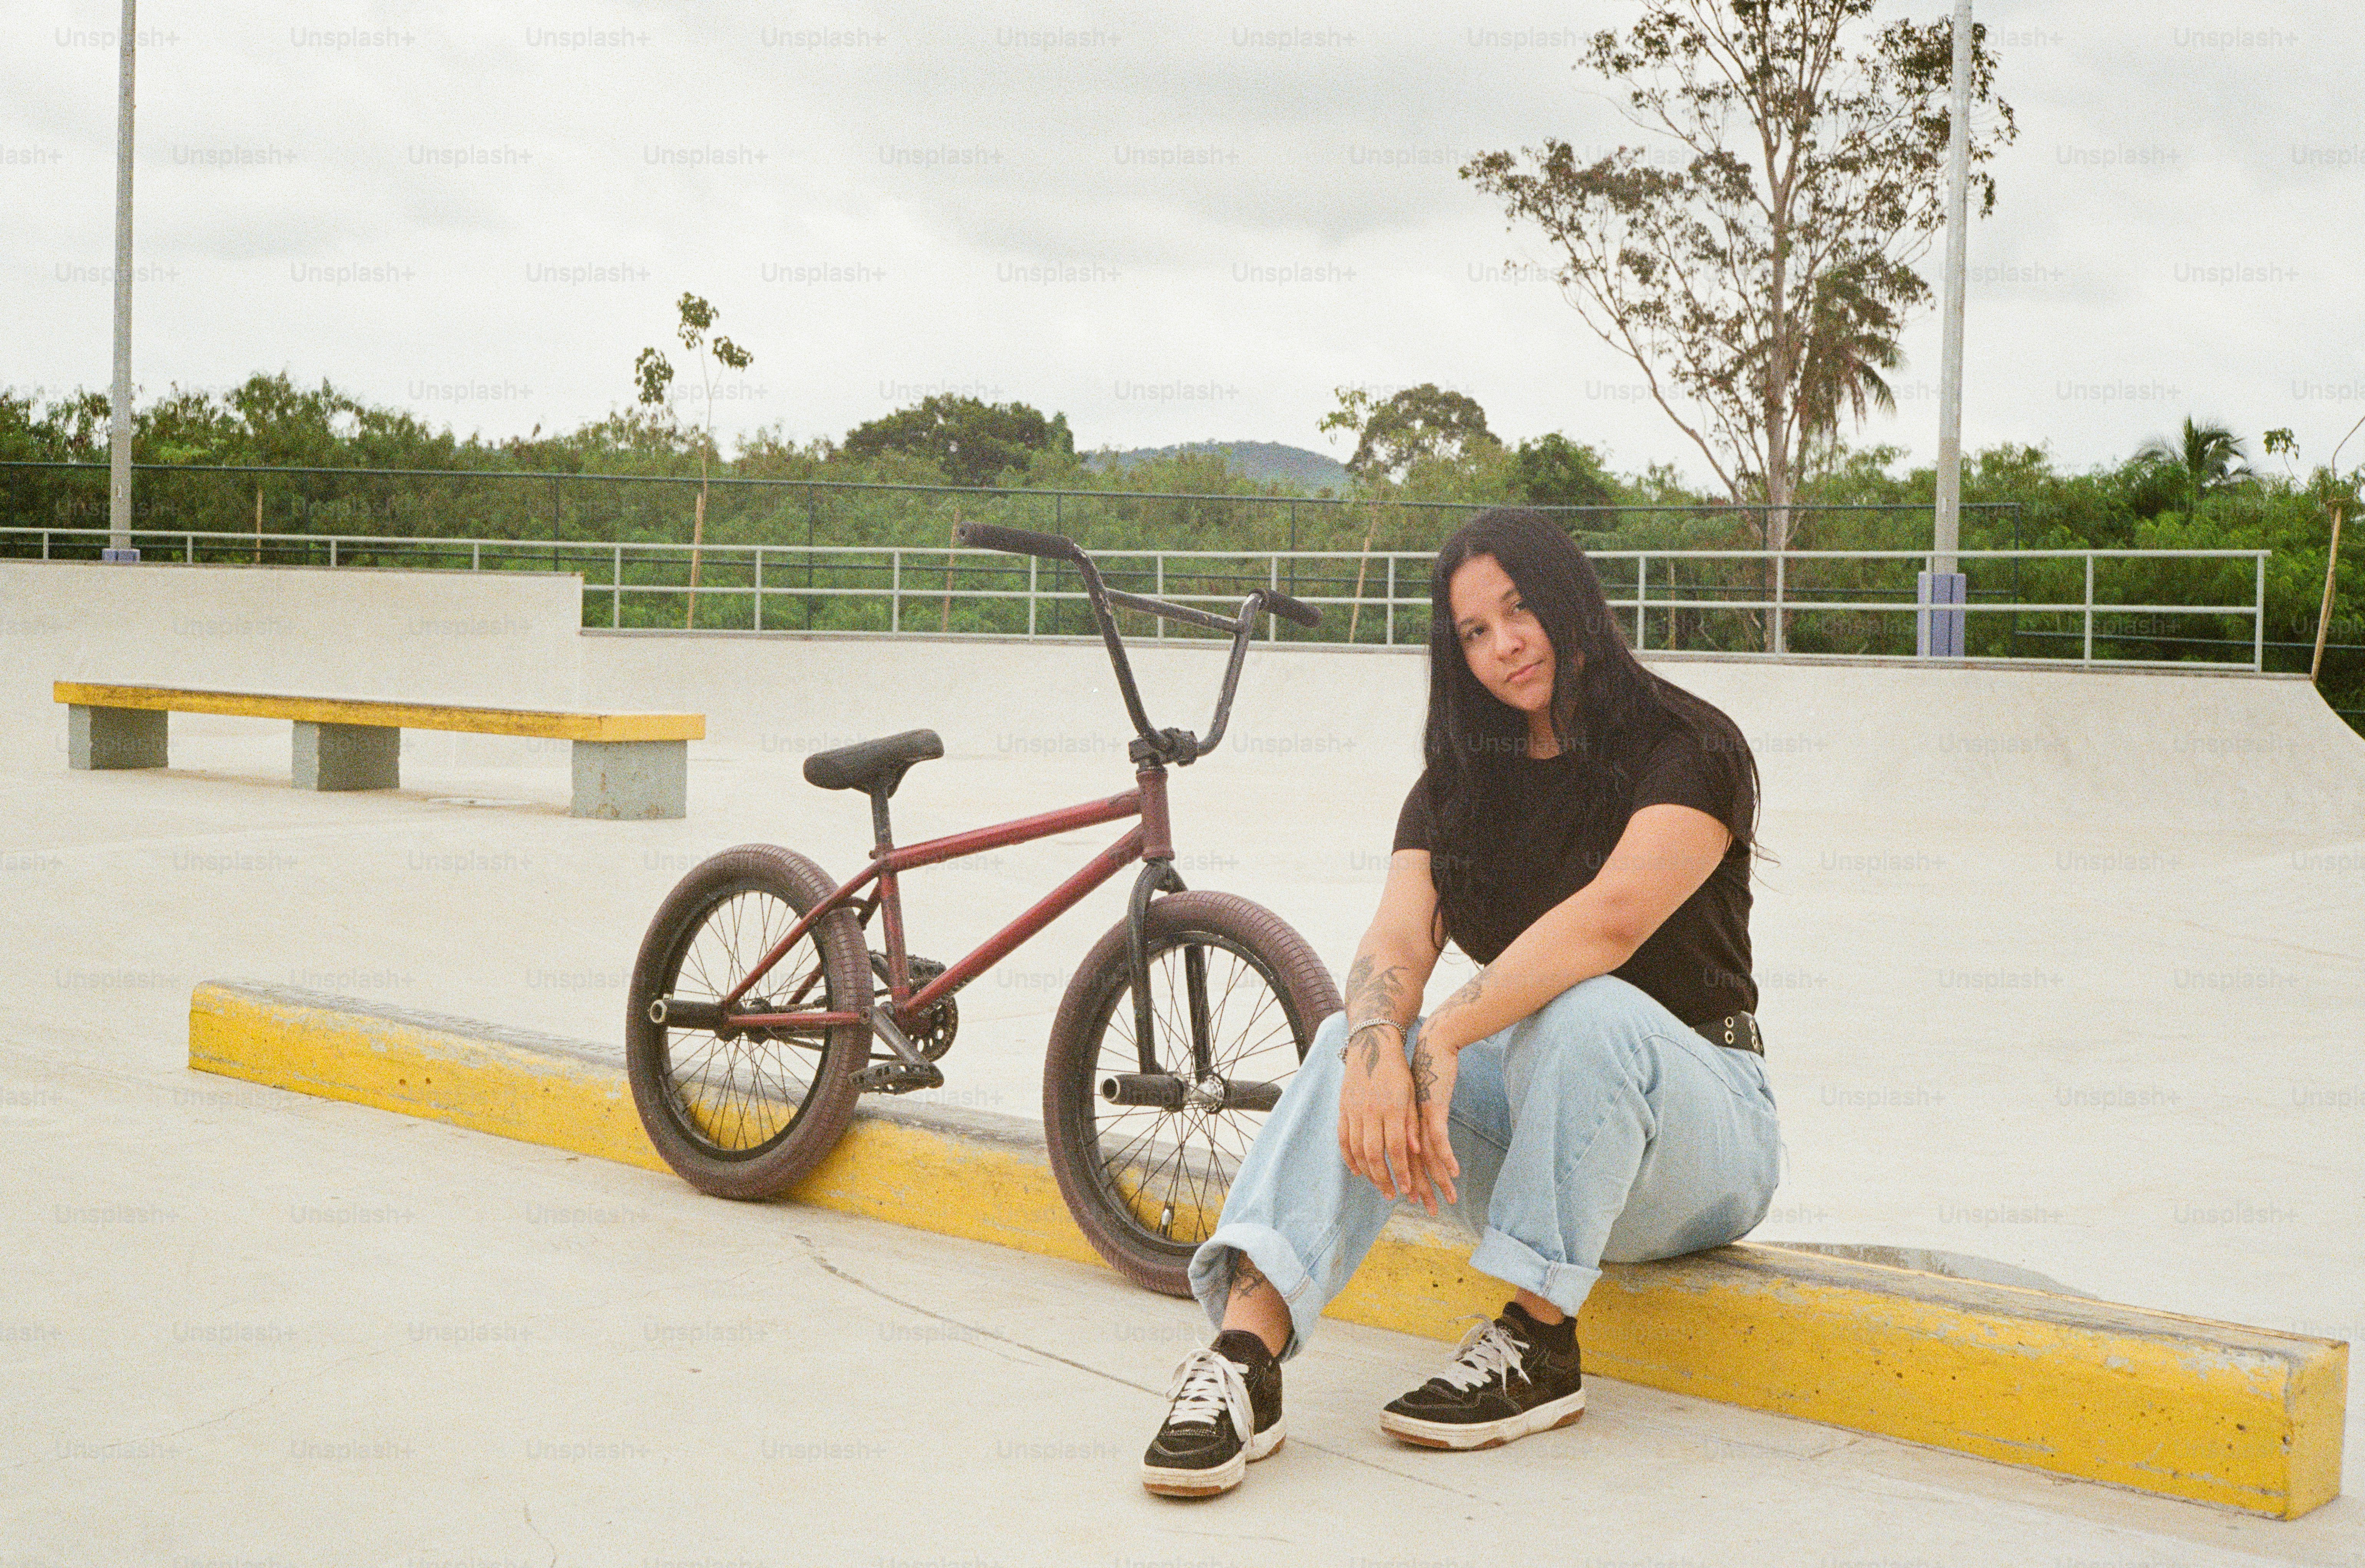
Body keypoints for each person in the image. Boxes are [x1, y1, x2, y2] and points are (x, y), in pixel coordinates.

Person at [1139, 508, 1782, 1497]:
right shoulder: (1454, 788)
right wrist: (1376, 1042)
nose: (1505, 646)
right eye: (1474, 632)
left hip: (1703, 1139)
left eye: (1520, 611)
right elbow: (1398, 940)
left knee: (1587, 1010)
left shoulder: (1688, 744)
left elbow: (1607, 925)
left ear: (1571, 602)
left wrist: (1441, 1032)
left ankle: (1538, 1344)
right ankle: (1245, 1358)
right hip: (1544, 1141)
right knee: (1343, 1044)